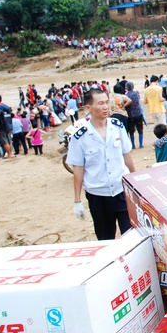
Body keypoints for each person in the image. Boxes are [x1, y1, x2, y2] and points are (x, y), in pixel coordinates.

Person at [66, 88, 136, 241]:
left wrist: (135, 181)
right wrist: (77, 201)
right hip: (98, 195)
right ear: (88, 108)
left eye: (106, 102)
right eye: (100, 103)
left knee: (131, 235)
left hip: (121, 190)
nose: (105, 107)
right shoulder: (80, 136)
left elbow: (126, 155)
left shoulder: (117, 127)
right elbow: (78, 168)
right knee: (105, 237)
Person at [124, 81, 145, 149]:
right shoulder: (136, 93)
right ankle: (141, 144)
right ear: (133, 87)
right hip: (138, 113)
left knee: (131, 130)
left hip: (130, 114)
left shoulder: (126, 96)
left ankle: (133, 145)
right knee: (140, 129)